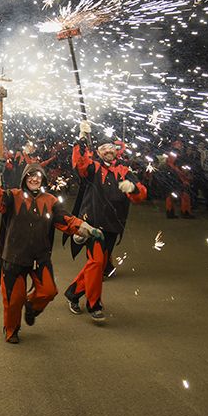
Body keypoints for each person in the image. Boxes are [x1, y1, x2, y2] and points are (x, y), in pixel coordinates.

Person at [0, 159, 102, 344]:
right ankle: (11, 329)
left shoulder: (50, 201)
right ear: (25, 178)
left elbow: (66, 220)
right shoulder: (13, 196)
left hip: (40, 257)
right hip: (14, 258)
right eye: (31, 176)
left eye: (38, 176)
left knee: (48, 291)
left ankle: (32, 307)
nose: (34, 179)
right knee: (13, 300)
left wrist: (87, 228)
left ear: (43, 179)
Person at [64, 123, 147, 321]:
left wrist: (133, 189)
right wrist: (82, 139)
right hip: (92, 226)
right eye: (103, 148)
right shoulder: (93, 168)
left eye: (111, 147)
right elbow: (80, 163)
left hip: (113, 225)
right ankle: (94, 305)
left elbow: (141, 194)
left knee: (98, 265)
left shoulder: (125, 171)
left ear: (116, 151)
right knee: (96, 263)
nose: (108, 150)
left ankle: (73, 293)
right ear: (98, 152)